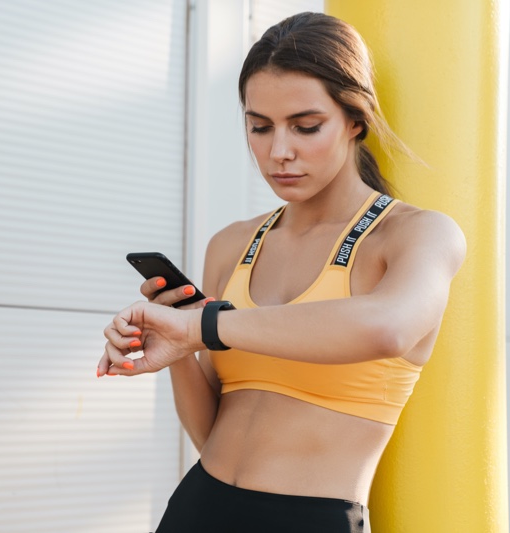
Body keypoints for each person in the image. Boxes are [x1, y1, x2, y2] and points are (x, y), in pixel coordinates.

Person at [97, 11, 465, 533]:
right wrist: (177, 345)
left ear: (354, 120)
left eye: (306, 126)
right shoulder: (231, 244)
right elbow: (210, 433)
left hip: (312, 520)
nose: (279, 152)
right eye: (259, 127)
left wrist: (200, 327)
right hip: (198, 507)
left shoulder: (417, 234)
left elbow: (389, 327)